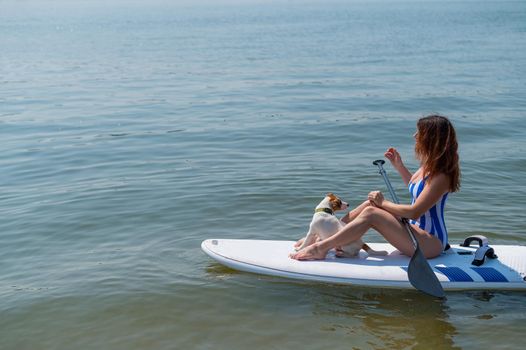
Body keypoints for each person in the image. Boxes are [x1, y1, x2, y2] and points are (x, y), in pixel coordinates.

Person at [290, 115, 461, 260]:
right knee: (369, 205)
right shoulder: (428, 167)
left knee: (373, 213)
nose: (415, 136)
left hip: (431, 242)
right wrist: (399, 166)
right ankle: (325, 235)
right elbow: (418, 189)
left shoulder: (441, 176)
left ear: (431, 139)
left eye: (420, 133)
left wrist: (383, 202)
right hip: (415, 231)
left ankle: (321, 248)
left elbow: (414, 211)